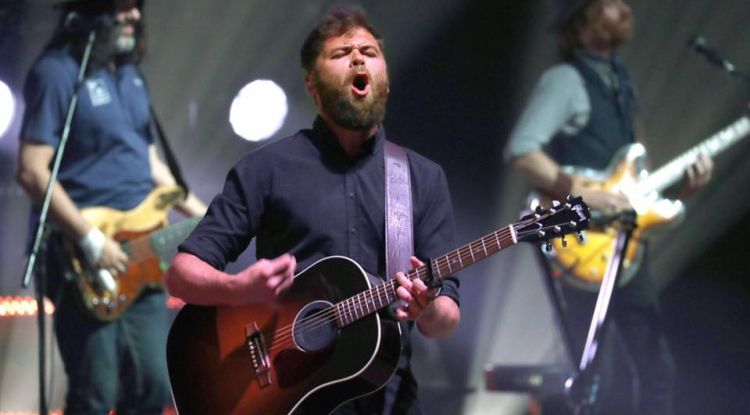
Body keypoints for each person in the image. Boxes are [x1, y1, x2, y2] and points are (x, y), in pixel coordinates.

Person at [165, 5, 461, 414]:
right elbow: (182, 275)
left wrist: (429, 308)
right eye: (341, 54)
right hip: (283, 398)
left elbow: (445, 317)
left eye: (370, 52)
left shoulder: (421, 178)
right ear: (312, 84)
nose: (358, 58)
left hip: (386, 394)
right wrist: (240, 289)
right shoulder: (266, 169)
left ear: (385, 80)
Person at [505, 0, 712, 414]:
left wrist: (680, 193)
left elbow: (632, 176)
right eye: (609, 3)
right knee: (598, 378)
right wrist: (578, 191)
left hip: (626, 250)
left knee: (657, 371)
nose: (623, 6)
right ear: (581, 23)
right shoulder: (565, 80)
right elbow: (522, 151)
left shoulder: (620, 82)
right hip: (583, 248)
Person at [16, 0, 206, 413]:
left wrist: (205, 212)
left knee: (156, 387)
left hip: (143, 253)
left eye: (137, 7)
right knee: (95, 393)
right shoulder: (58, 72)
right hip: (81, 257)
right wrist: (87, 238)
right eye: (122, 6)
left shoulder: (132, 78)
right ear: (90, 9)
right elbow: (32, 171)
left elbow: (153, 166)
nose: (134, 16)